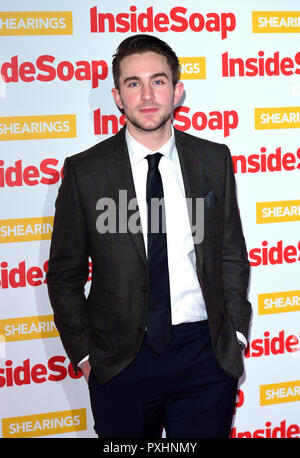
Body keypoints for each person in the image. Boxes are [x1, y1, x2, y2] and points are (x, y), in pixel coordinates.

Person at [46, 34, 251, 438]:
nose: (147, 95)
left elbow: (231, 255)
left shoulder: (213, 160)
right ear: (117, 97)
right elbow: (64, 274)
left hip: (205, 355)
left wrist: (237, 336)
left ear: (177, 91)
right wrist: (87, 355)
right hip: (121, 359)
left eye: (158, 81)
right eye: (133, 83)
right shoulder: (86, 172)